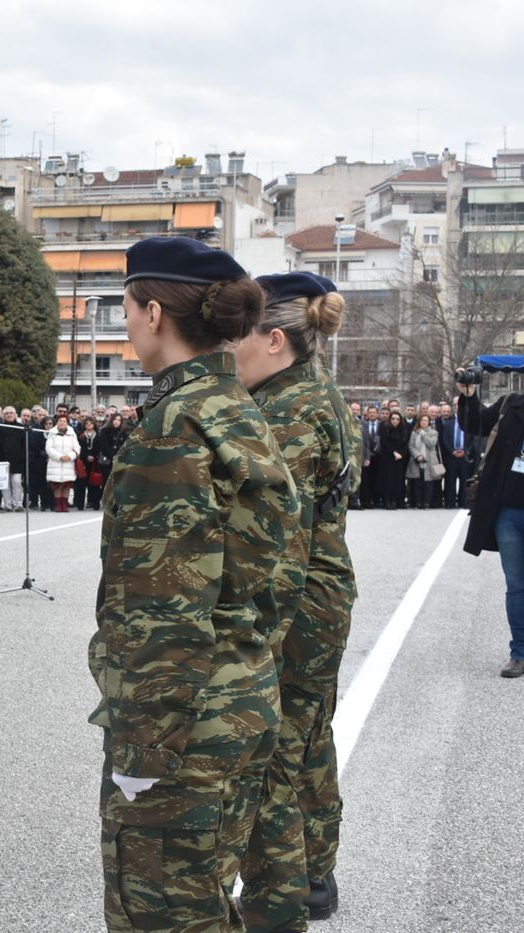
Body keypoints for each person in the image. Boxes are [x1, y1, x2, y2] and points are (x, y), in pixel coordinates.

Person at [90, 237, 296, 932]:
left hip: (182, 724)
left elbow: (164, 609)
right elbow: (278, 572)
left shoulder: (174, 426)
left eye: (126, 309)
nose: (126, 324)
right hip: (240, 695)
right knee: (207, 903)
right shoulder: (236, 406)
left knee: (161, 916)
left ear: (153, 313)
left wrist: (144, 749)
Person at [235, 273, 360, 931]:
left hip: (295, 599)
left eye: (241, 335)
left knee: (276, 745)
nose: (231, 348)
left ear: (275, 339)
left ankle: (282, 893)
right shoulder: (318, 391)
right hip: (322, 591)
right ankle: (315, 872)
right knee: (308, 735)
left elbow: (275, 537)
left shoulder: (286, 411)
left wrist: (248, 629)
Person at [457, 375, 524, 678]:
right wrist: (468, 394)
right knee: (517, 585)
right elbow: (475, 423)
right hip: (508, 513)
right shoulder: (510, 404)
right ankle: (519, 653)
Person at [438, 402, 473, 509]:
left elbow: (472, 440)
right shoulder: (448, 424)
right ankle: (450, 502)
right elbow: (445, 439)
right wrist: (452, 451)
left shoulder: (470, 424)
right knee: (450, 480)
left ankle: (463, 502)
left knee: (464, 480)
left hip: (464, 456)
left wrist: (466, 451)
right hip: (451, 456)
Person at [372, 410, 410, 510]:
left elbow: (405, 443)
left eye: (397, 419)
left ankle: (398, 501)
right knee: (388, 481)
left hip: (400, 458)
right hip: (387, 458)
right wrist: (394, 452)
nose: (395, 421)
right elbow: (384, 443)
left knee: (399, 480)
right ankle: (388, 501)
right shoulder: (385, 428)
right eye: (393, 419)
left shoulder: (404, 429)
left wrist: (400, 454)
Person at [44, 414, 79, 512]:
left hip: (68, 463)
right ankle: (58, 505)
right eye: (60, 421)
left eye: (64, 421)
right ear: (57, 422)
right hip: (55, 462)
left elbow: (77, 448)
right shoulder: (52, 433)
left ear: (67, 423)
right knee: (57, 485)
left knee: (66, 485)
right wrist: (59, 457)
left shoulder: (72, 433)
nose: (62, 423)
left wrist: (70, 456)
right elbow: (49, 448)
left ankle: (65, 504)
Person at [407, 413, 442, 510]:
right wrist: (417, 455)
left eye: (426, 420)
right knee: (417, 482)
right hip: (417, 460)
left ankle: (427, 502)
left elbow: (431, 444)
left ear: (429, 422)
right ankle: (418, 502)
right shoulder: (414, 432)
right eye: (422, 420)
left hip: (430, 460)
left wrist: (423, 434)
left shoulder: (434, 432)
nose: (423, 422)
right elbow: (411, 446)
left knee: (428, 482)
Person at [0, 405, 26, 510]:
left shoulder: (21, 427)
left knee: (17, 482)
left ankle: (18, 504)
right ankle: (7, 505)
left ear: (15, 415)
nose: (9, 415)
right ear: (3, 416)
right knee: (4, 485)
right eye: (7, 413)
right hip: (2, 459)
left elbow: (25, 444)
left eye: (11, 413)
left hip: (17, 461)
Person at [75, 416, 99, 511]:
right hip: (83, 462)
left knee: (95, 483)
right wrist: (86, 456)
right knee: (81, 483)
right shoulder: (80, 435)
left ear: (94, 424)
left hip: (95, 462)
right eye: (87, 423)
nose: (89, 425)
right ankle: (80, 504)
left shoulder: (98, 435)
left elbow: (100, 448)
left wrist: (94, 456)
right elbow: (78, 447)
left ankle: (94, 503)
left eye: (91, 423)